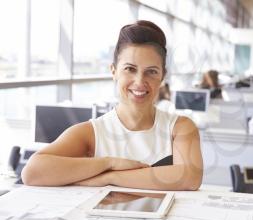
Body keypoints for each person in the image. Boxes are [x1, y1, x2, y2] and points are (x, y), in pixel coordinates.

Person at [22, 20, 203, 190]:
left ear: (162, 76)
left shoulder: (180, 127)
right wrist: (109, 163)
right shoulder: (91, 133)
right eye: (130, 69)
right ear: (114, 71)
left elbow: (190, 177)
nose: (140, 82)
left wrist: (110, 178)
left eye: (151, 72)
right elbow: (32, 172)